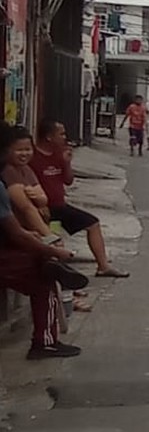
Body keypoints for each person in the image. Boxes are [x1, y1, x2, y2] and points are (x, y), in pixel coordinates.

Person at [0, 135, 86, 359]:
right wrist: (51, 247)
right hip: (7, 252)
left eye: (27, 149)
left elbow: (41, 203)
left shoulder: (22, 172)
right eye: (17, 149)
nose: (24, 154)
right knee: (43, 281)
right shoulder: (7, 181)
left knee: (42, 257)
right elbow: (18, 227)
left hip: (14, 243)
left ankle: (57, 269)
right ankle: (45, 342)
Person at [31, 119, 129, 279]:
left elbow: (68, 180)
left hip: (60, 206)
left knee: (92, 223)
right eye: (61, 134)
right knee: (54, 241)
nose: (65, 137)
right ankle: (60, 280)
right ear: (49, 137)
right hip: (43, 209)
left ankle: (103, 266)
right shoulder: (33, 157)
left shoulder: (59, 154)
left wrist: (67, 163)